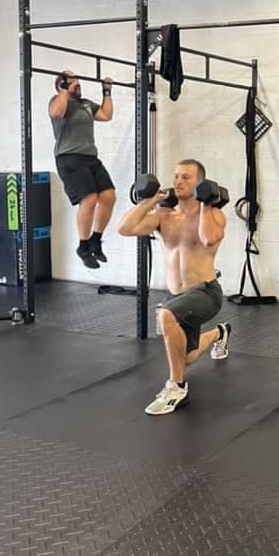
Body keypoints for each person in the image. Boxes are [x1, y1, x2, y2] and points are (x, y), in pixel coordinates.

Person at [117, 159, 232, 414]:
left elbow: (208, 238)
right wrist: (148, 201)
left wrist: (205, 203)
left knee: (166, 314)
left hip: (205, 292)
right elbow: (124, 228)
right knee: (186, 356)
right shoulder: (163, 215)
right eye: (176, 176)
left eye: (186, 177)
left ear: (201, 183)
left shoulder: (214, 215)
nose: (178, 181)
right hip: (176, 295)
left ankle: (176, 388)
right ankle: (220, 333)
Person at [48, 70, 116, 269]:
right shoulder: (58, 102)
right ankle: (83, 246)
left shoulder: (85, 103)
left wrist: (107, 91)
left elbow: (106, 115)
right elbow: (56, 113)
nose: (77, 83)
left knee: (109, 196)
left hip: (90, 158)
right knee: (90, 199)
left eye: (77, 80)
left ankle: (96, 240)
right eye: (71, 81)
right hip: (69, 158)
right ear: (61, 85)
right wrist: (63, 90)